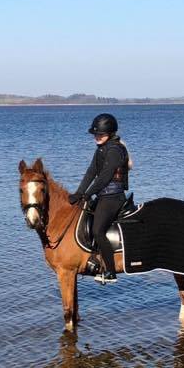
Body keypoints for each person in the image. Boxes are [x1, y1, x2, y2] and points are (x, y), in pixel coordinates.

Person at [68, 113, 130, 283]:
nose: (97, 136)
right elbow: (91, 172)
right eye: (95, 134)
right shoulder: (101, 149)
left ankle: (110, 272)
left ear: (110, 133)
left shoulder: (115, 150)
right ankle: (94, 259)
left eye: (100, 134)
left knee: (97, 230)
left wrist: (88, 194)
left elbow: (104, 177)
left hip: (114, 197)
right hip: (103, 196)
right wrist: (79, 193)